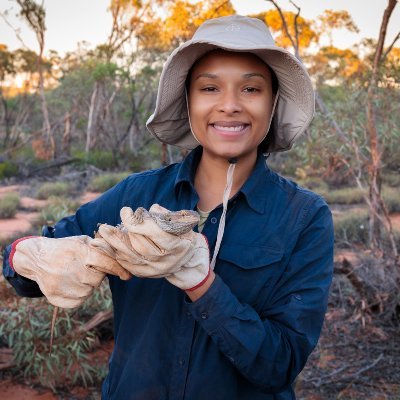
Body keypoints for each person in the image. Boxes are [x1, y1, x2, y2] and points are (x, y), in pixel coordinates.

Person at [3, 15, 334, 400]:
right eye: (210, 87)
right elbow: (27, 270)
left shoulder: (304, 217)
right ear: (189, 101)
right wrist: (27, 255)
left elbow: (280, 364)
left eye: (251, 89)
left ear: (273, 102)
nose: (229, 105)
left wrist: (202, 284)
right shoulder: (136, 194)